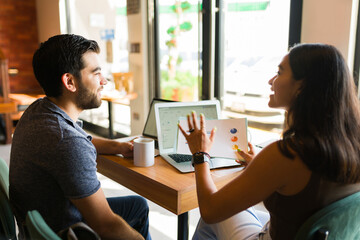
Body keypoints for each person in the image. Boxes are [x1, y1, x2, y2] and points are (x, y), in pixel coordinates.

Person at [178, 43, 360, 239]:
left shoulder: (287, 154)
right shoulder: (351, 143)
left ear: (302, 86)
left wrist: (200, 154)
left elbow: (210, 209)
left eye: (280, 72)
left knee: (211, 216)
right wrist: (262, 166)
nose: (270, 80)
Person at [9, 34, 151, 240]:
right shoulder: (66, 142)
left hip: (43, 221)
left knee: (137, 206)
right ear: (69, 81)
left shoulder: (39, 110)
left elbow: (80, 137)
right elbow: (106, 227)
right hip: (68, 229)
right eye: (96, 73)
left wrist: (117, 147)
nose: (104, 81)